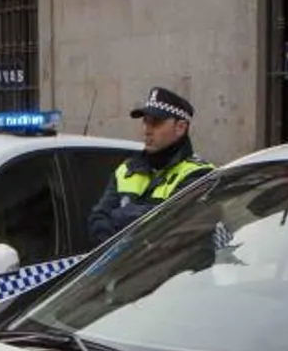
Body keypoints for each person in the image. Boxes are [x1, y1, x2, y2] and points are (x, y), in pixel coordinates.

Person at [85, 86, 214, 245]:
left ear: (180, 127)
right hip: (123, 268)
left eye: (156, 122)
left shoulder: (199, 174)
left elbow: (172, 233)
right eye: (145, 121)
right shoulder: (126, 169)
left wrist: (120, 216)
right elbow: (97, 220)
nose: (147, 130)